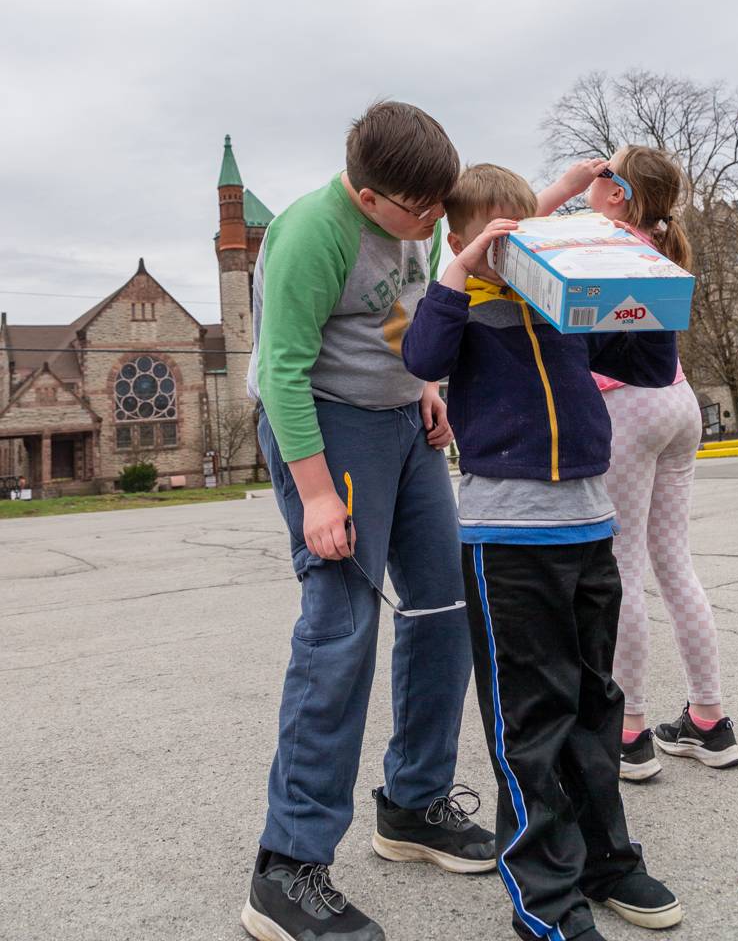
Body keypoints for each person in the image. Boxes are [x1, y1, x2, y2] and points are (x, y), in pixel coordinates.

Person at [402, 163, 683, 941]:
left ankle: (608, 861)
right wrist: (460, 270)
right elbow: (421, 357)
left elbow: (651, 366)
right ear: (457, 243)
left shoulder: (562, 302)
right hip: (507, 539)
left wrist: (638, 279)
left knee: (597, 706)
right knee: (531, 723)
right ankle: (546, 900)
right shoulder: (460, 310)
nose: (509, 250)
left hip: (591, 526)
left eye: (519, 234)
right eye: (492, 238)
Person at [241, 102, 494, 941]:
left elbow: (402, 314)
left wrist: (424, 385)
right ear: (366, 191)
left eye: (435, 207)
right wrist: (316, 495)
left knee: (442, 604)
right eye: (417, 210)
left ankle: (414, 805)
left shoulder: (415, 214)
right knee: (341, 627)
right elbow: (280, 373)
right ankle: (287, 868)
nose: (429, 224)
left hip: (404, 422)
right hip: (325, 420)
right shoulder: (313, 233)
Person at [539, 147, 738, 781]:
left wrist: (563, 187)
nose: (592, 180)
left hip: (626, 406)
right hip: (677, 405)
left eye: (604, 173)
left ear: (618, 192)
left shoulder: (597, 237)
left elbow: (513, 229)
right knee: (674, 561)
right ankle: (708, 721)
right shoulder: (653, 242)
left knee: (621, 568)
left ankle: (628, 733)